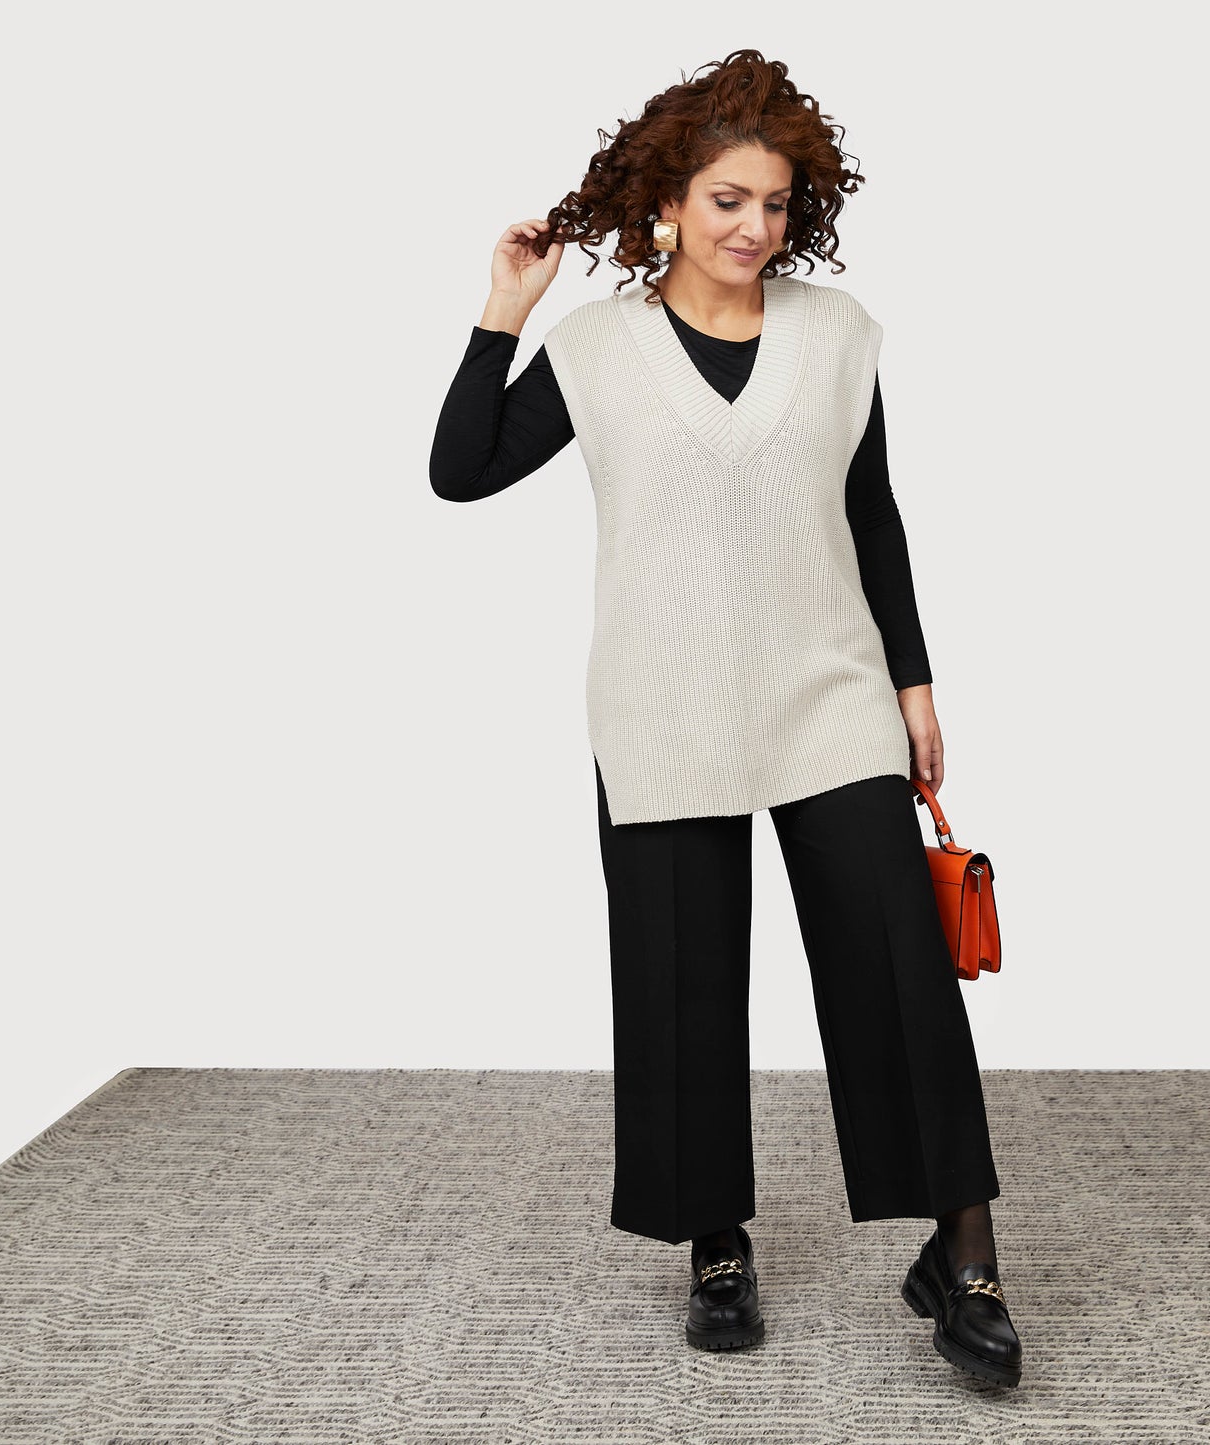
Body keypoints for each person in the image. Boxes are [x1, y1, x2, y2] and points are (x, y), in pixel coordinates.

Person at [429, 48, 1023, 1386]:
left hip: (829, 693)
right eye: (726, 200)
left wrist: (914, 684)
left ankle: (966, 1250)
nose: (754, 227)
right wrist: (503, 314)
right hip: (663, 703)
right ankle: (714, 1241)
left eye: (774, 202)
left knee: (899, 973)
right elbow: (460, 472)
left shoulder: (837, 335)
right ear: (666, 203)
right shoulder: (596, 350)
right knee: (682, 982)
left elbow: (870, 514)